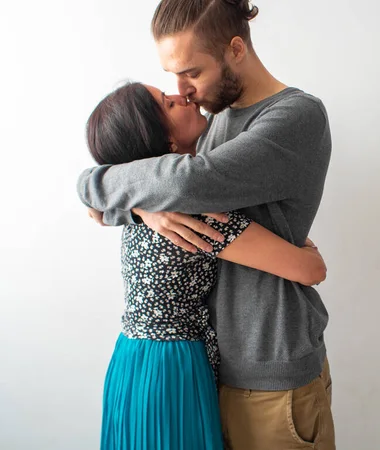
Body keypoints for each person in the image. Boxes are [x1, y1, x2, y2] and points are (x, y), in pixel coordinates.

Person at [78, 1, 336, 448]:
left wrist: (129, 193)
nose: (183, 90)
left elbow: (189, 183)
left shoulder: (293, 117)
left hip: (269, 369)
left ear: (235, 49)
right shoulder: (211, 122)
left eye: (192, 73)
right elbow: (105, 197)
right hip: (203, 368)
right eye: (172, 78)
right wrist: (142, 206)